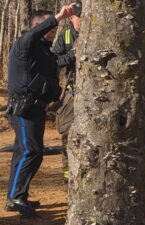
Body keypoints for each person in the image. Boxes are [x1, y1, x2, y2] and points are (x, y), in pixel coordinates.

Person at [5, 4, 76, 217]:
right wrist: (59, 16)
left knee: (23, 152)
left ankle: (16, 197)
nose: (53, 31)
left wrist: (76, 53)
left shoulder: (43, 50)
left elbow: (58, 61)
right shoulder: (24, 43)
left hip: (36, 109)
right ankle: (17, 197)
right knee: (31, 151)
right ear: (39, 26)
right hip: (24, 108)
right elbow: (36, 33)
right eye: (49, 27)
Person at [53, 1, 81, 184]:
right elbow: (53, 61)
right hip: (70, 95)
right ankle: (68, 175)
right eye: (79, 18)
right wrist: (72, 55)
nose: (82, 22)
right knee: (68, 135)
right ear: (71, 18)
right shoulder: (66, 37)